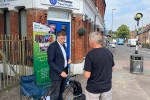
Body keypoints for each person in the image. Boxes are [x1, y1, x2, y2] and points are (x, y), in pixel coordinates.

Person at [83, 32, 115, 100]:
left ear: (92, 41)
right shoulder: (109, 52)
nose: (88, 42)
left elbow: (87, 75)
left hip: (93, 89)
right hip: (107, 87)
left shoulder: (90, 55)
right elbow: (112, 69)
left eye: (89, 40)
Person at [47, 30, 71, 100]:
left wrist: (68, 59)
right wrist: (60, 72)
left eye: (64, 38)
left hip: (64, 71)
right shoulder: (52, 47)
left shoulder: (63, 45)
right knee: (55, 94)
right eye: (62, 38)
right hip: (57, 74)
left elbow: (64, 56)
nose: (63, 40)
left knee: (61, 91)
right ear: (57, 37)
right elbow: (50, 62)